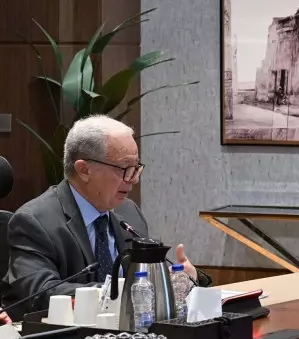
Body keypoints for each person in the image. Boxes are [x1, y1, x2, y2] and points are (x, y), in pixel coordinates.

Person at [1, 115, 211, 316]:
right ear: (84, 170)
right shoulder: (35, 221)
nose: (134, 179)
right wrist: (120, 292)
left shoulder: (129, 212)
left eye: (136, 168)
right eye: (124, 168)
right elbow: (41, 294)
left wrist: (179, 277)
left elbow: (147, 276)